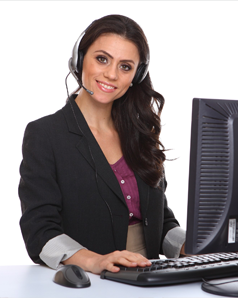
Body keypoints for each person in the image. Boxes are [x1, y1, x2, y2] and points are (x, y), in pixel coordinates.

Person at [18, 15, 186, 275]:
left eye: (125, 66)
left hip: (150, 280)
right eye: (102, 59)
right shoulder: (45, 134)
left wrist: (192, 243)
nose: (111, 74)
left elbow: (160, 221)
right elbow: (40, 231)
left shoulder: (140, 134)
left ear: (136, 75)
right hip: (90, 280)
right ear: (79, 58)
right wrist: (94, 261)